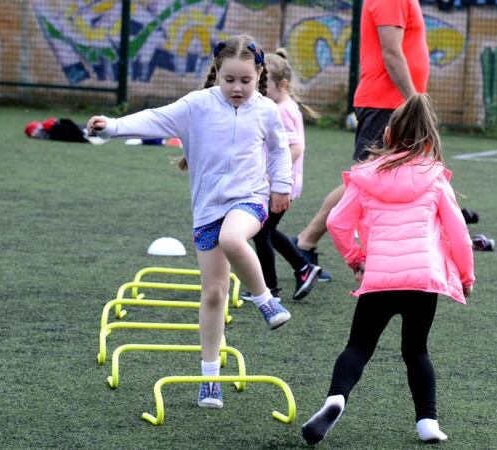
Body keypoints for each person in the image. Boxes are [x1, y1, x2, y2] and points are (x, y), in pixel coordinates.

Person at [86, 35, 293, 409]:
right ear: (217, 73)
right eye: (229, 79)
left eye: (245, 80)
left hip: (249, 200)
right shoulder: (197, 105)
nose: (237, 87)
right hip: (206, 209)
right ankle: (209, 378)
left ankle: (265, 300)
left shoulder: (266, 111)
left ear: (259, 74)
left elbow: (280, 151)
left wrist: (281, 187)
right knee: (213, 293)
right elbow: (154, 119)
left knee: (234, 239)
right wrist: (113, 127)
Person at [301, 94, 474, 445]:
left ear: (388, 135)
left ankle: (336, 398)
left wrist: (356, 259)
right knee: (416, 351)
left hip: (379, 278)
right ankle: (427, 422)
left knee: (359, 348)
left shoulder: (366, 176)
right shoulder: (436, 178)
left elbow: (336, 221)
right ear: (428, 139)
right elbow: (459, 235)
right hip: (422, 280)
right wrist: (467, 277)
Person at [292, 0, 430, 281]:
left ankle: (308, 242)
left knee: (374, 181)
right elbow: (392, 54)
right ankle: (306, 242)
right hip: (386, 105)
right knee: (365, 182)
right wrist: (415, 103)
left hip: (393, 104)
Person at [243, 49, 322, 301]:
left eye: (265, 87)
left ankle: (271, 288)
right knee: (265, 231)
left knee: (261, 232)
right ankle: (302, 268)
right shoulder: (284, 106)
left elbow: (295, 147)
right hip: (281, 182)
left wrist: (274, 177)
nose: (261, 92)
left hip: (280, 184)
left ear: (283, 84)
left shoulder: (283, 110)